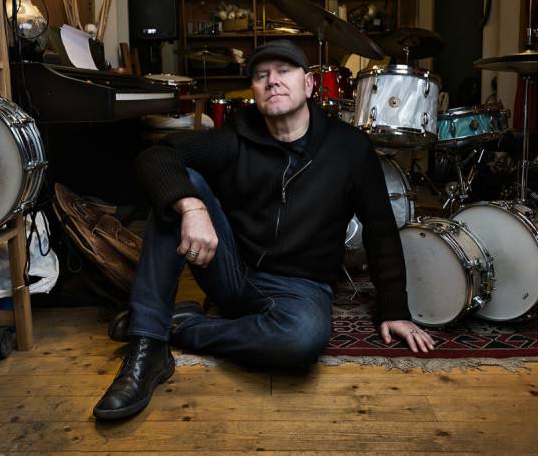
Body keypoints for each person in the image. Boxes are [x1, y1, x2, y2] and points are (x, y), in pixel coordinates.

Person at [92, 39, 436, 420]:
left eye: (284, 71)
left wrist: (394, 308)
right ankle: (147, 347)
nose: (272, 81)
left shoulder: (350, 149)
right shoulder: (235, 138)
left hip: (301, 288)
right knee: (178, 185)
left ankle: (177, 327)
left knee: (302, 340)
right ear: (254, 91)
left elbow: (380, 229)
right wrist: (192, 207)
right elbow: (155, 156)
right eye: (261, 75)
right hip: (231, 270)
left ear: (309, 85)